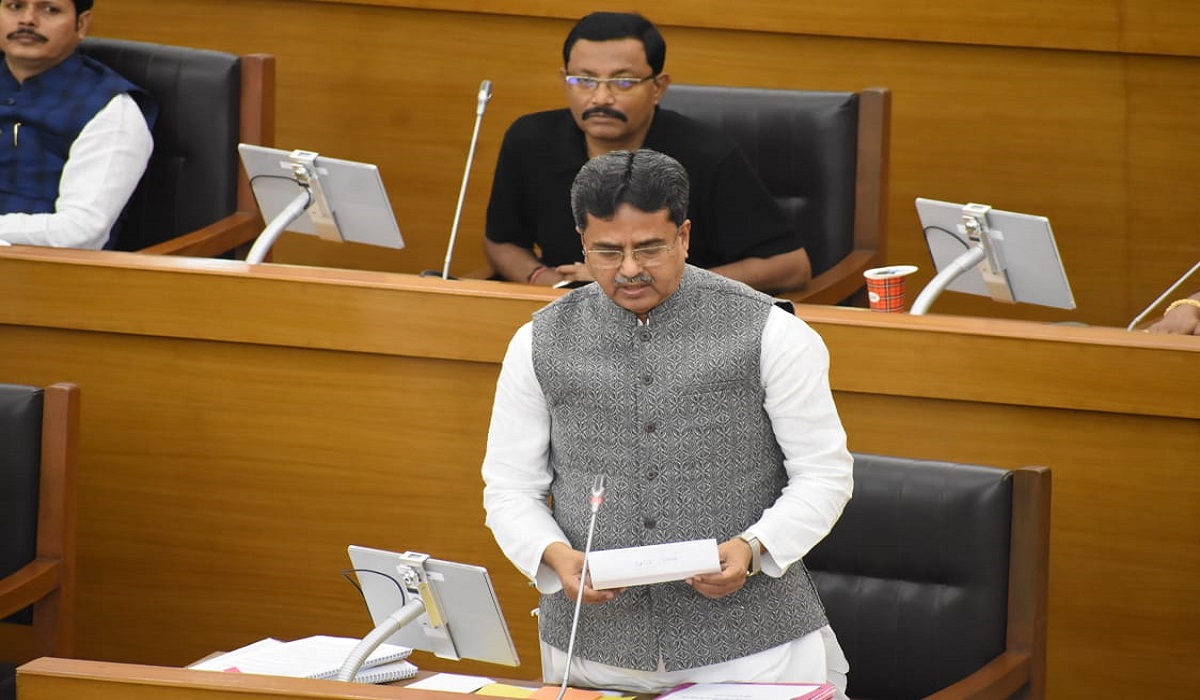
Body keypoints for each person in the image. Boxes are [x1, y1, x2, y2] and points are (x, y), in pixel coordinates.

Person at [482, 149, 853, 697]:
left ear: (684, 236)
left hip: (752, 652)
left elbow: (824, 475)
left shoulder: (773, 332)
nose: (630, 269)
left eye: (649, 248)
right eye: (608, 251)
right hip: (592, 650)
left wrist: (754, 548)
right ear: (581, 242)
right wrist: (552, 555)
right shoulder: (537, 340)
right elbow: (510, 487)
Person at [484, 11, 811, 294]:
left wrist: (648, 283)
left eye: (623, 82)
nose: (601, 98)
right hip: (566, 314)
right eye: (584, 80)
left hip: (681, 319)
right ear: (564, 80)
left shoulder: (707, 154)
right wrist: (543, 279)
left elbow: (791, 266)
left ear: (658, 88)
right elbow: (503, 240)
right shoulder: (531, 141)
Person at [0, 0, 154, 249]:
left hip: (40, 267)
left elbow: (80, 231)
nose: (27, 20)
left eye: (50, 9)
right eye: (15, 6)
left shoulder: (110, 110)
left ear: (81, 24)